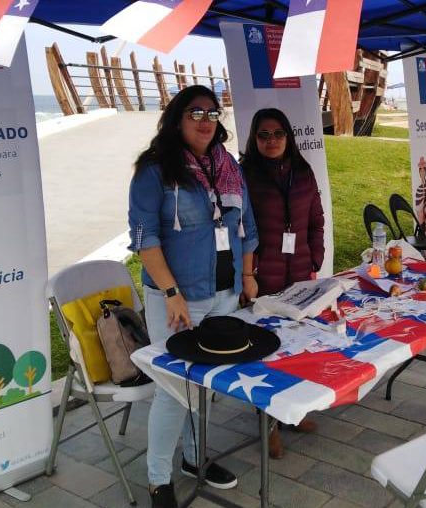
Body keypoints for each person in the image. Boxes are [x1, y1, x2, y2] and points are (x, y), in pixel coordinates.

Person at [128, 85, 259, 508]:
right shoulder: (154, 171)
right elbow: (145, 238)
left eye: (212, 112)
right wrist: (170, 292)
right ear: (177, 119)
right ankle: (157, 478)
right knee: (173, 389)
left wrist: (249, 276)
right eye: (195, 113)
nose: (205, 121)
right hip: (178, 299)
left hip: (224, 294)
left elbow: (247, 226)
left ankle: (194, 459)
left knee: (201, 385)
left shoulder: (229, 167)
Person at [240, 108, 324, 459]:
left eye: (277, 134)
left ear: (288, 136)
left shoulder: (303, 172)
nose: (271, 140)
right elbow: (241, 229)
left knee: (296, 347)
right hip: (264, 279)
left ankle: (294, 412)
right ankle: (269, 424)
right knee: (267, 353)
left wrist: (315, 260)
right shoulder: (245, 176)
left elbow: (316, 220)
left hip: (301, 275)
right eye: (263, 135)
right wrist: (248, 275)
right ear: (254, 139)